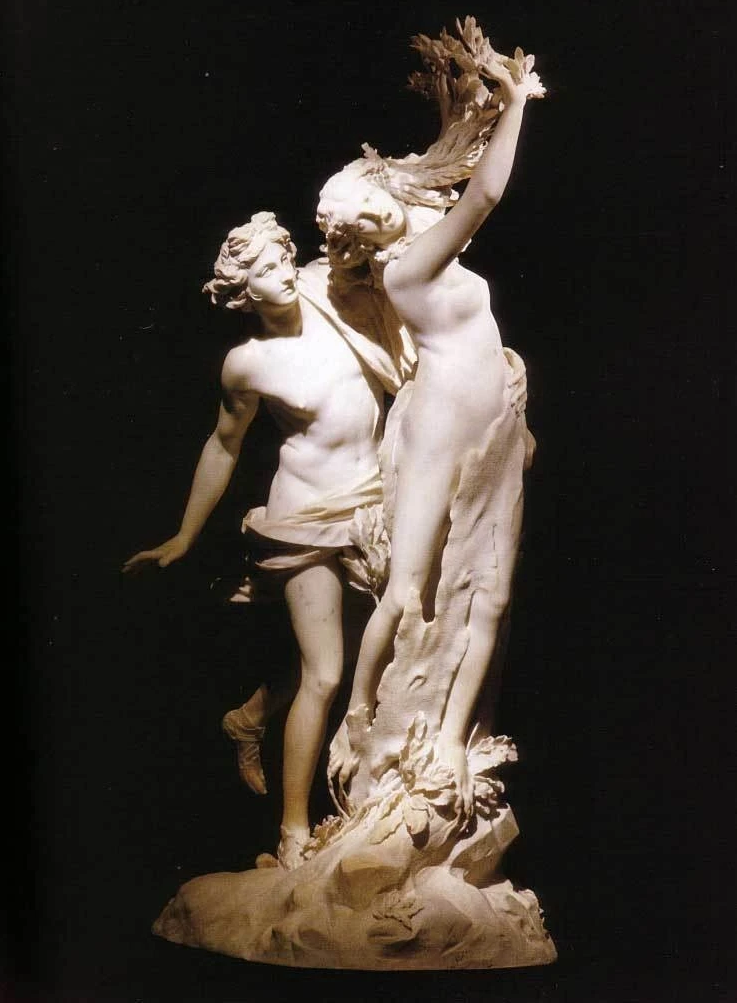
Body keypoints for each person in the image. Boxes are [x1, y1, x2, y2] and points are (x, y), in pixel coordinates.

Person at [123, 212, 395, 868]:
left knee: (360, 652)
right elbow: (224, 445)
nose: (283, 274)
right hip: (304, 516)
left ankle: (248, 717)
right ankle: (293, 830)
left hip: (373, 504)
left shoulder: (330, 291)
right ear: (244, 292)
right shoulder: (247, 363)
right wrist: (186, 534)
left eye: (283, 259)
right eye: (266, 270)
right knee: (327, 672)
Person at [322, 56, 537, 816]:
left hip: (492, 428)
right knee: (407, 589)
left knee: (490, 594)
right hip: (444, 429)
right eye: (368, 211)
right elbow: (486, 193)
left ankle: (450, 740)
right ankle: (358, 717)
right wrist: (515, 103)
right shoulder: (409, 270)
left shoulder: (420, 257)